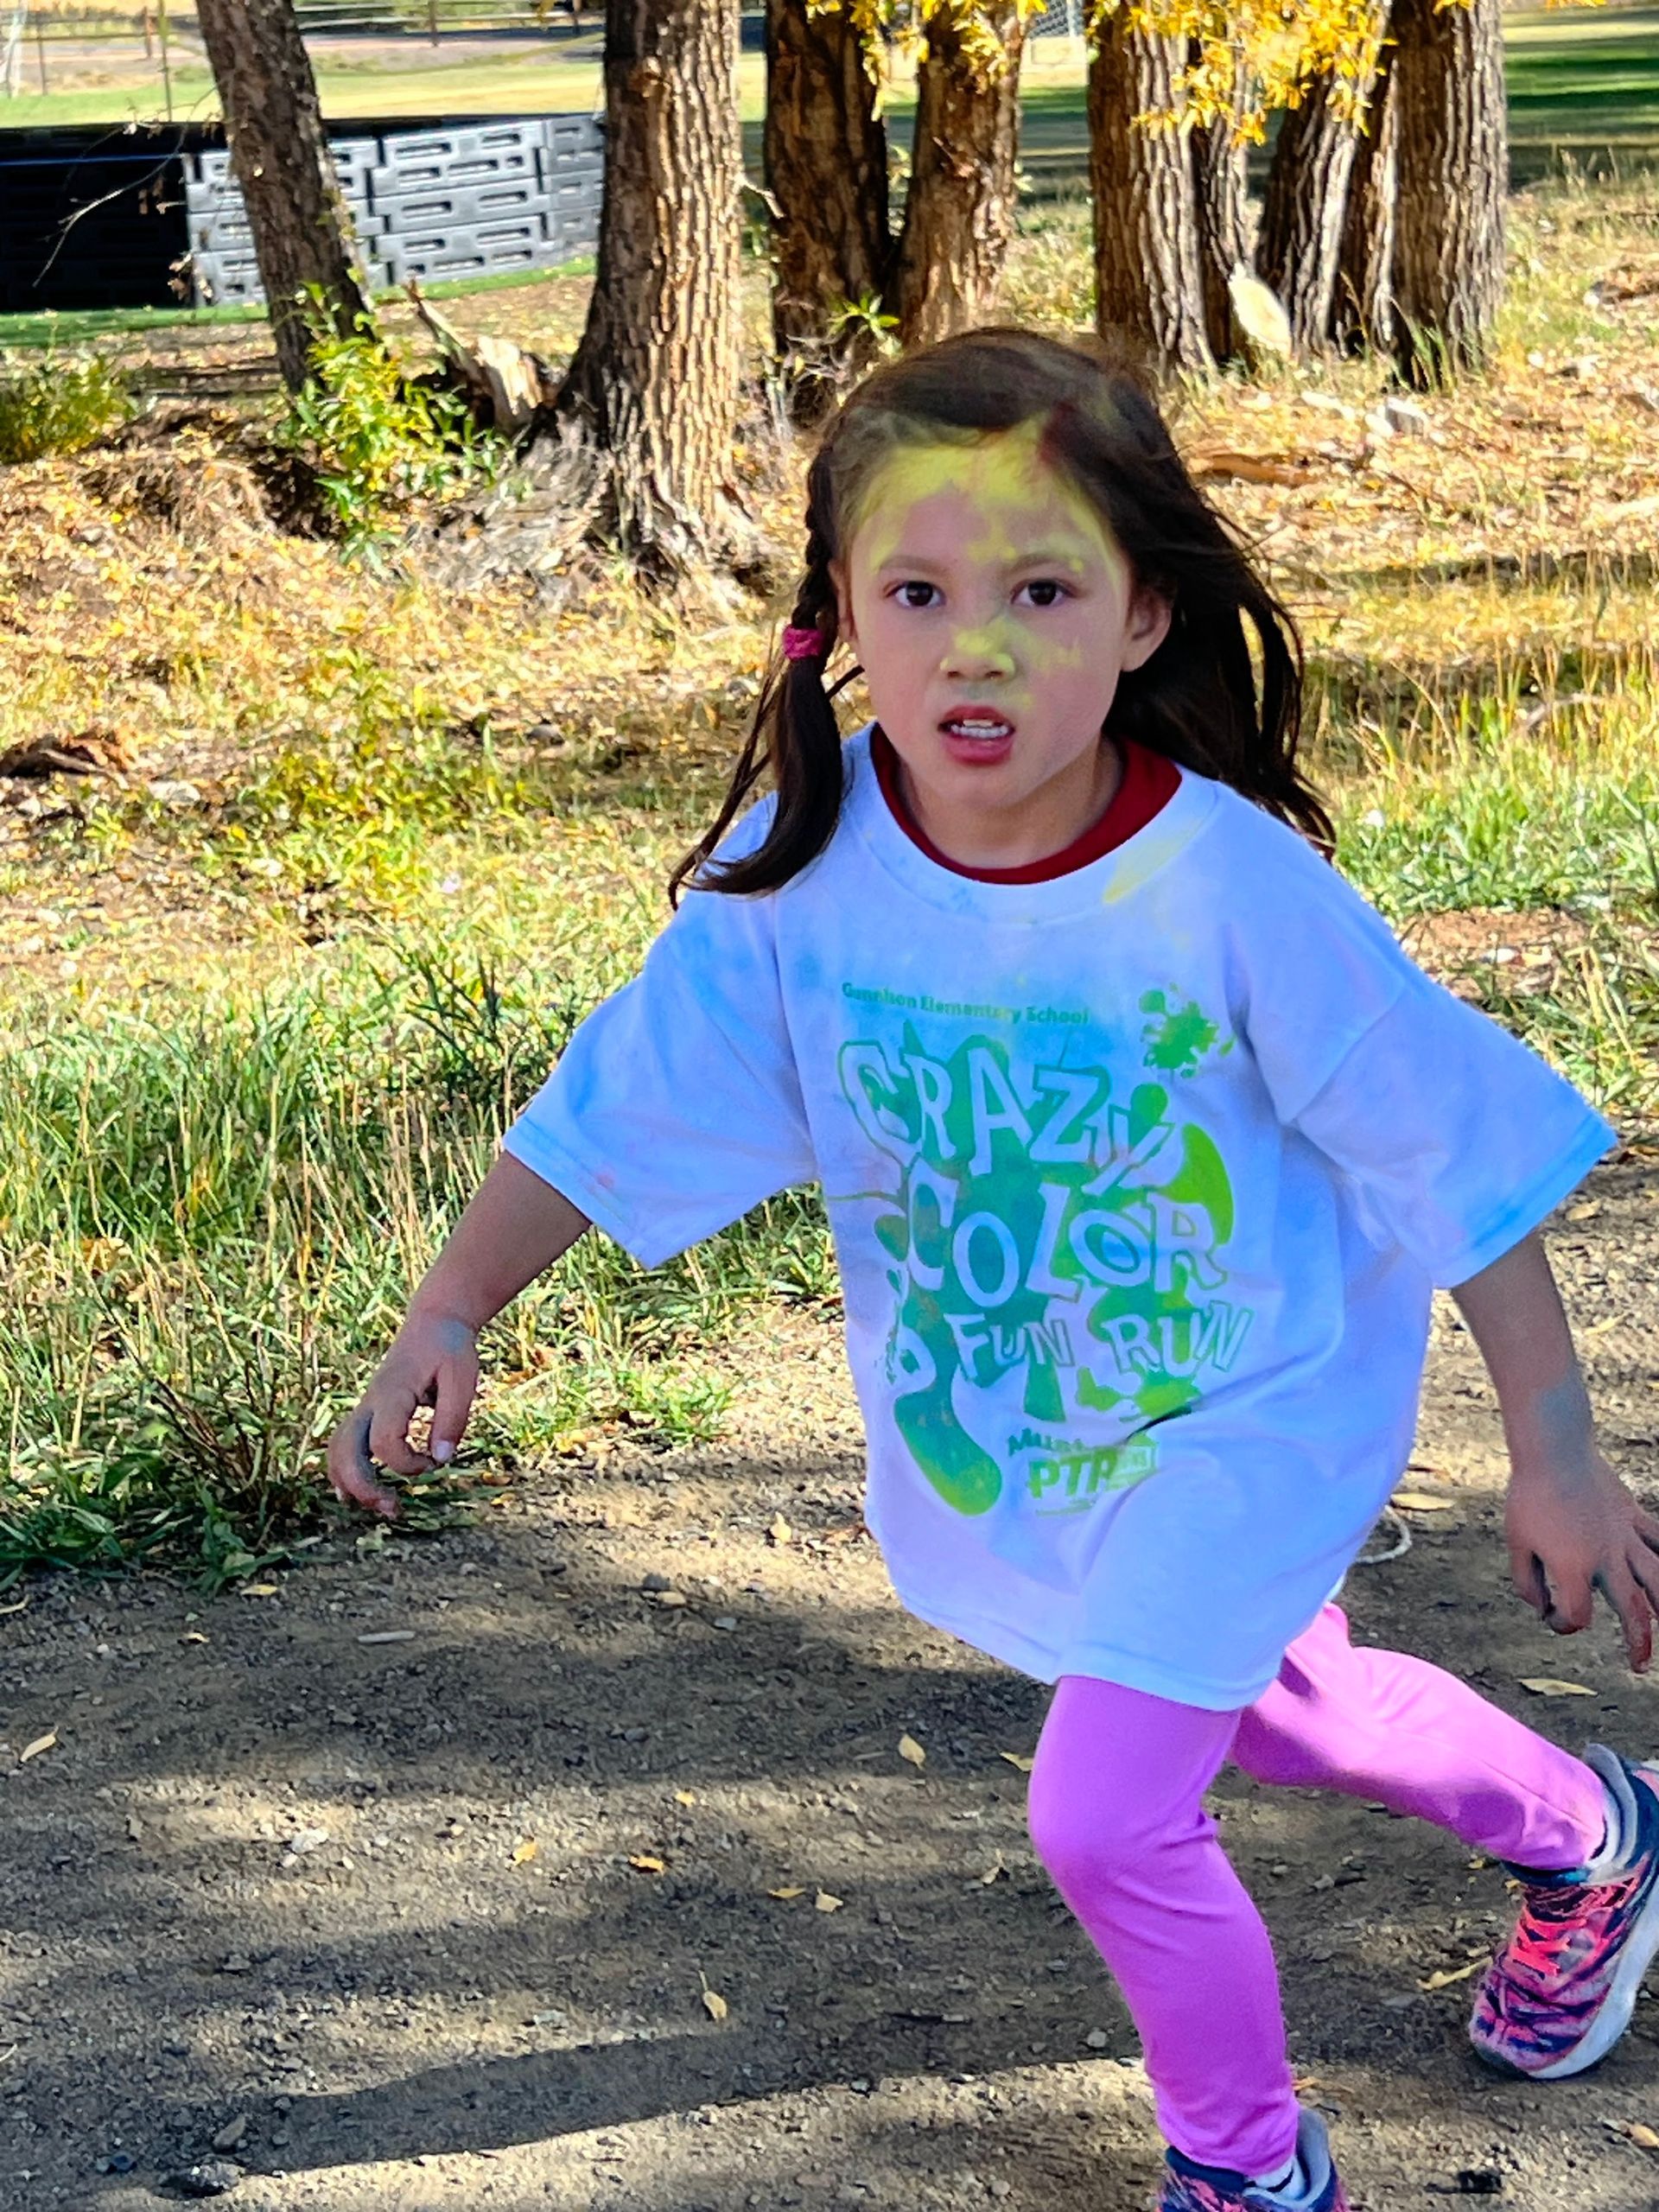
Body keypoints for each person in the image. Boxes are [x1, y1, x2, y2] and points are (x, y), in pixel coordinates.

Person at [327, 328, 1659, 2212]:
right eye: (922, 592)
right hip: (1038, 1439)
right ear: (843, 618)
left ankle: (1250, 2168)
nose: (977, 645)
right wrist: (448, 1308)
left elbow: (1456, 1150)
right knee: (1276, 1704)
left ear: (1138, 618)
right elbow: (609, 1104)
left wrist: (1557, 1443)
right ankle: (1594, 1834)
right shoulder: (803, 874)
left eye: (1041, 590)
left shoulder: (1231, 890)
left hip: (1247, 1412)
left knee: (1107, 1813)